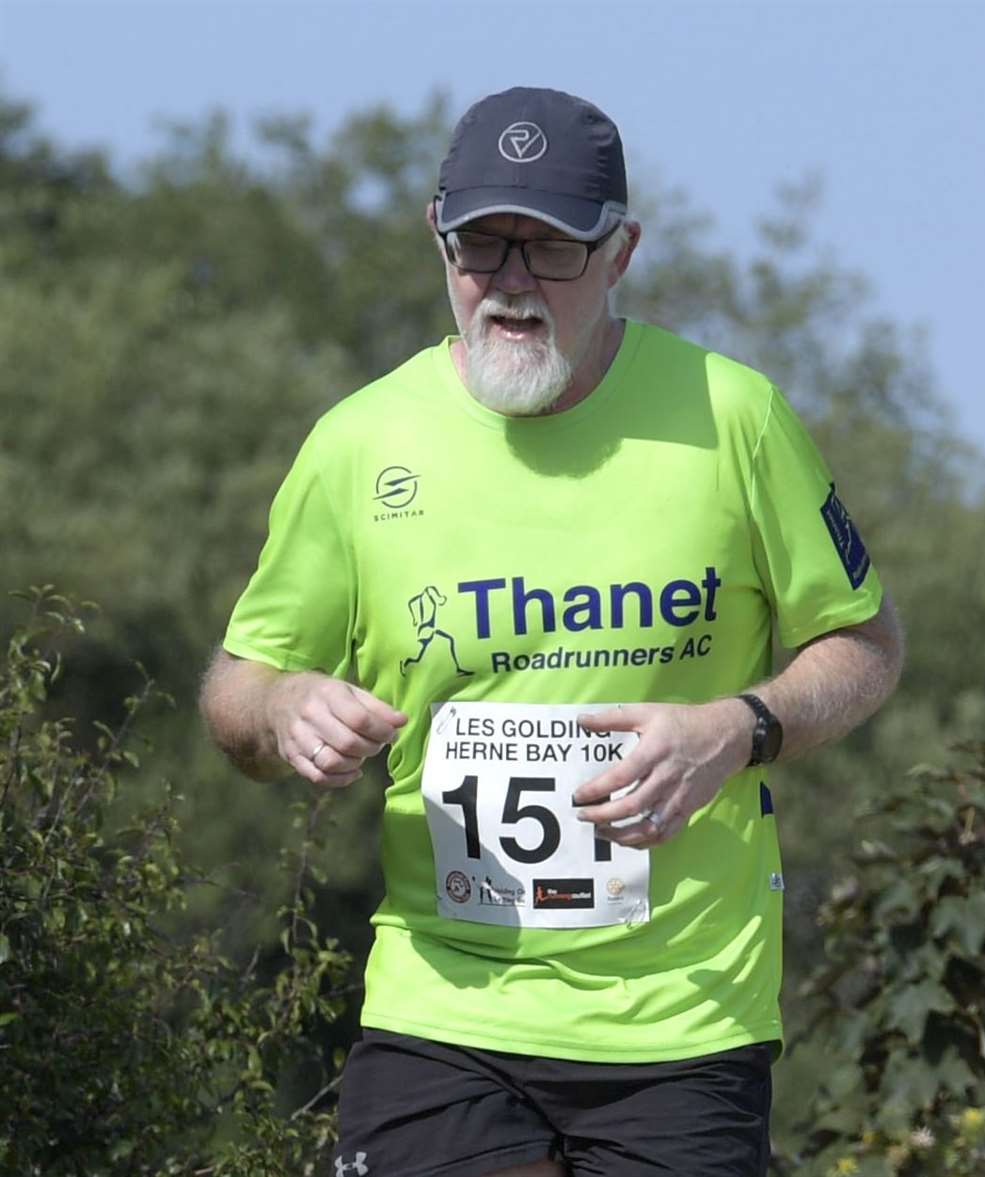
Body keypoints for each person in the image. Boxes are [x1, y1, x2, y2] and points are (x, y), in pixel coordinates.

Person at [200, 86, 904, 1177]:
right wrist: (284, 706)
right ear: (438, 237)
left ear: (620, 254)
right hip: (443, 1001)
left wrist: (740, 726)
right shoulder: (356, 443)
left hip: (683, 1016)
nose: (512, 282)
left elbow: (865, 643)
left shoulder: (733, 416)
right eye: (485, 244)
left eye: (553, 250)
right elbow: (236, 692)